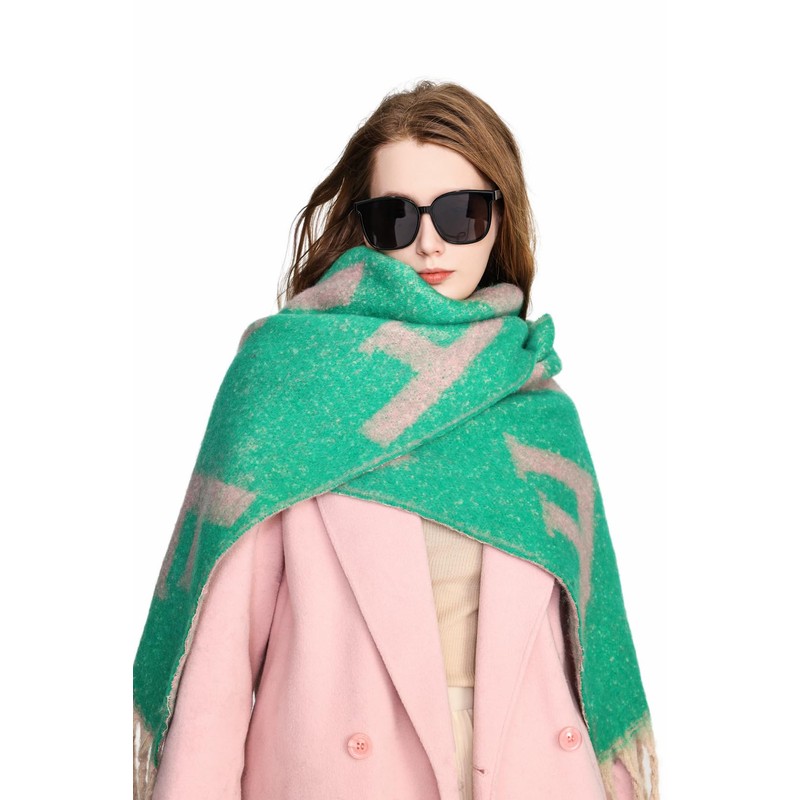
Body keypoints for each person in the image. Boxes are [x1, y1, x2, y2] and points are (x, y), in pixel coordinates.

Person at [133, 80, 659, 800]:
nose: (429, 242)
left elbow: (591, 655)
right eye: (396, 217)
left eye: (461, 213)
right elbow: (216, 673)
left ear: (501, 219)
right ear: (364, 228)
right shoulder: (290, 382)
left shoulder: (536, 406)